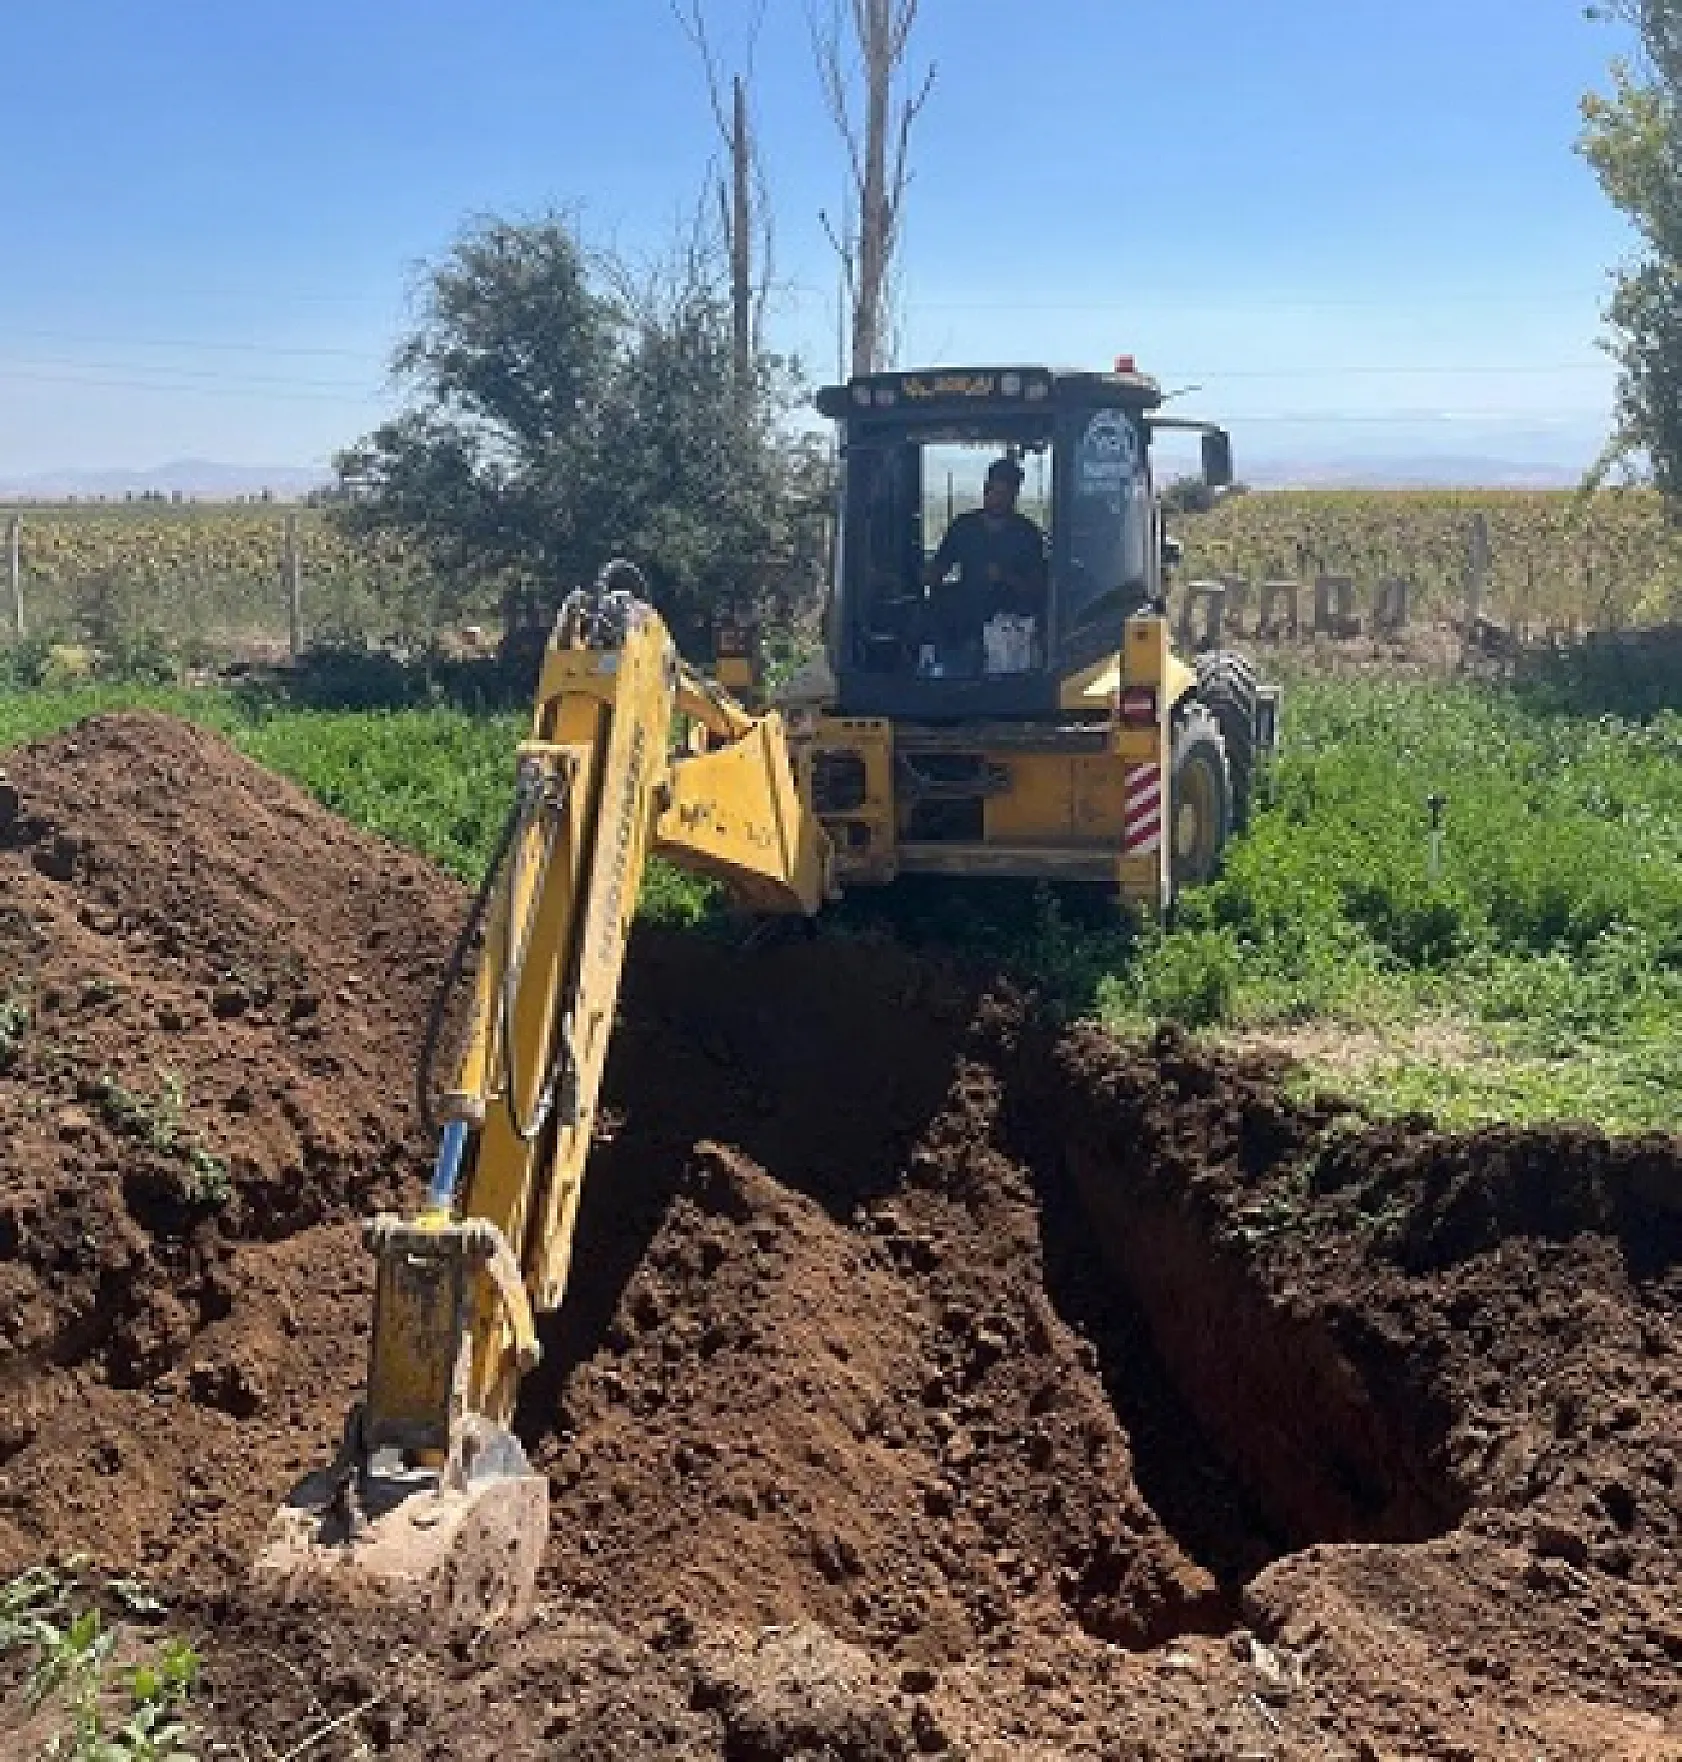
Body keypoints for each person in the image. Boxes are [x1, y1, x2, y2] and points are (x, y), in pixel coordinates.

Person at [921, 457, 1047, 671]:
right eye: (994, 492)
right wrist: (927, 577)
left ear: (1015, 495)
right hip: (964, 626)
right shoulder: (964, 527)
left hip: (1010, 632)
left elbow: (1037, 588)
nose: (998, 500)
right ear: (985, 489)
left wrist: (1006, 576)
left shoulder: (1027, 533)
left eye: (1006, 494)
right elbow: (939, 568)